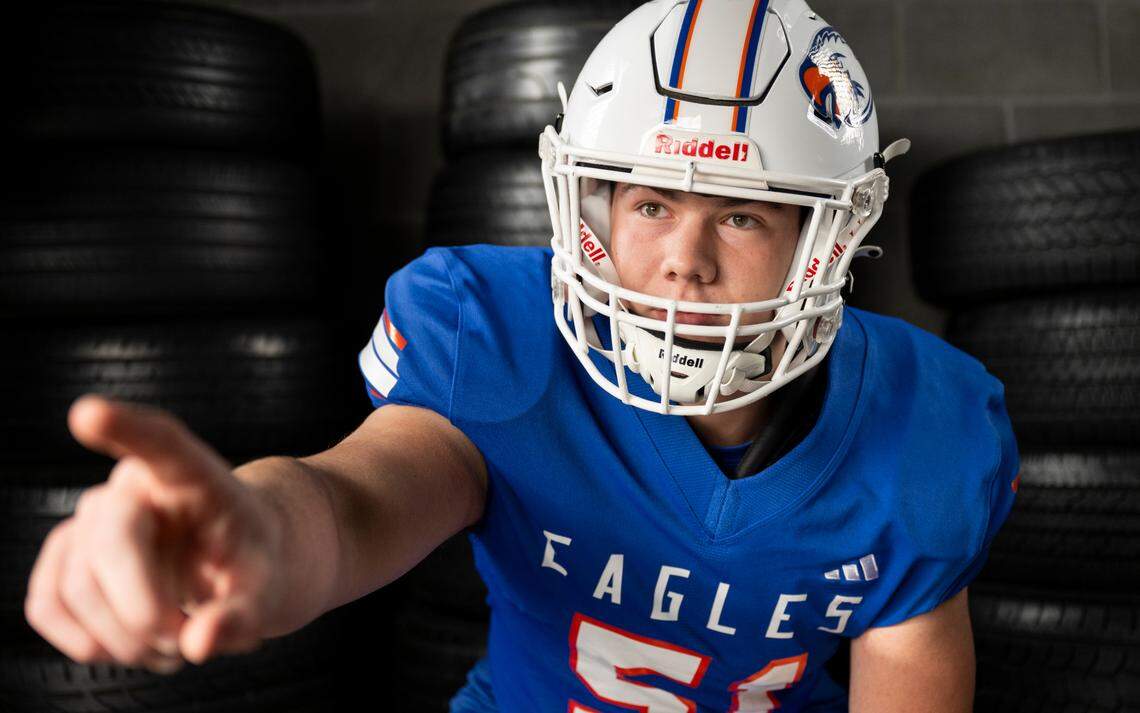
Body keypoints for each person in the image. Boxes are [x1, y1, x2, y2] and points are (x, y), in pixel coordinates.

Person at [24, 0, 1019, 710]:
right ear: (584, 203)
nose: (682, 261)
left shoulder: (922, 427)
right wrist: (257, 528)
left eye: (746, 215)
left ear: (831, 239)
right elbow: (360, 496)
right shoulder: (497, 333)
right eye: (651, 201)